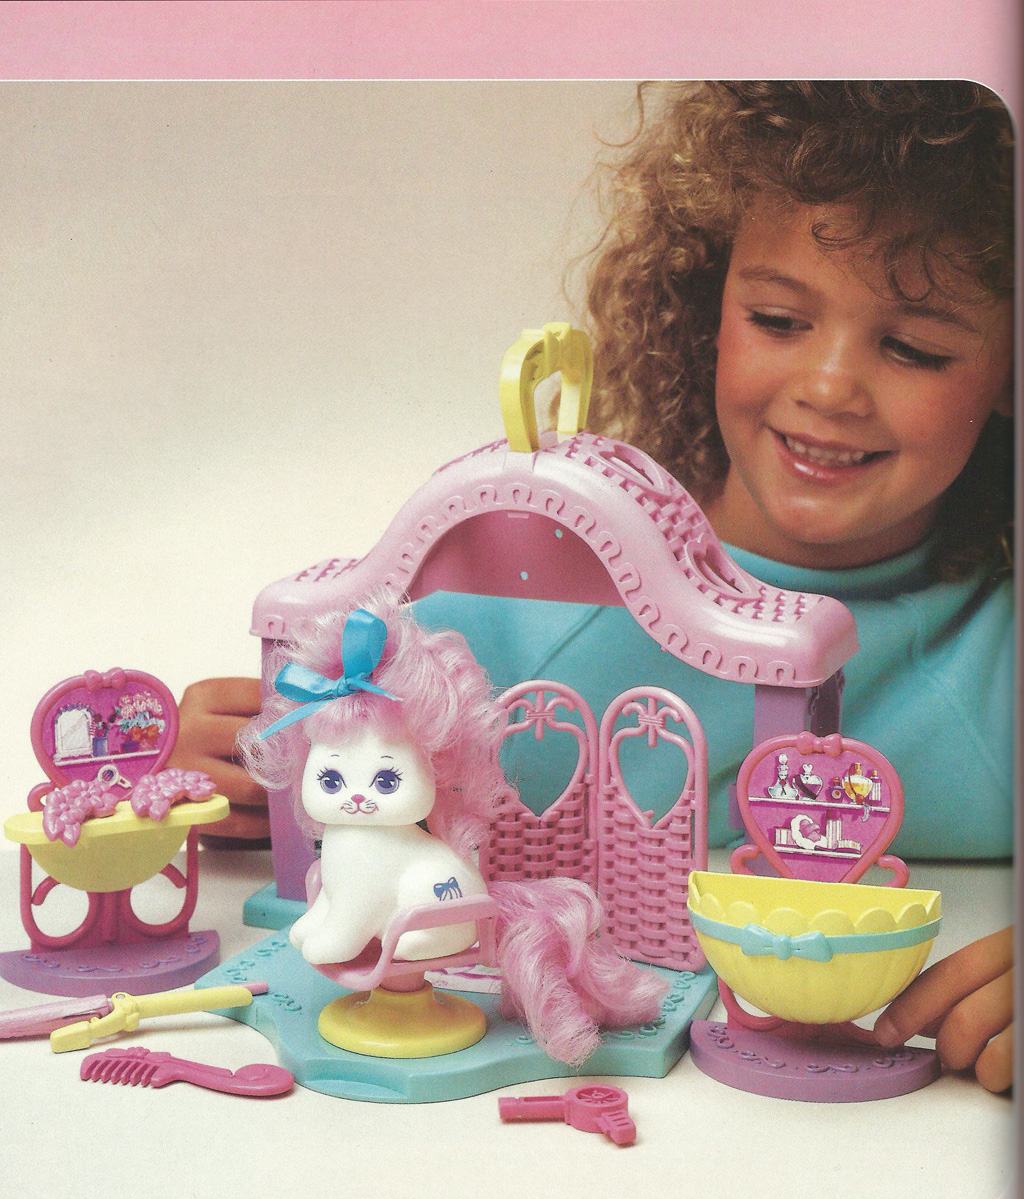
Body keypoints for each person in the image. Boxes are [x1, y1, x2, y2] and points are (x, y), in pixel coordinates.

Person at [172, 82, 1014, 1091]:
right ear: (707, 312)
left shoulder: (997, 662)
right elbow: (325, 771)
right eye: (779, 318)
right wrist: (227, 775)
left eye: (915, 346)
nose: (830, 387)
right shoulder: (494, 621)